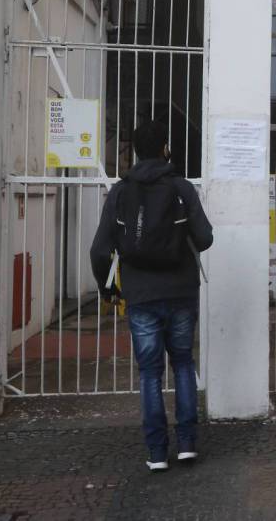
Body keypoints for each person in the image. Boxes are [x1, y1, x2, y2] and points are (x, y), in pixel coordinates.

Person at [90, 121, 213, 472]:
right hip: (181, 292)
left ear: (135, 151)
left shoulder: (120, 192)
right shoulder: (182, 188)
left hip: (141, 294)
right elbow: (204, 239)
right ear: (165, 148)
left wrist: (107, 288)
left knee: (149, 373)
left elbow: (100, 250)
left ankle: (157, 452)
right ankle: (187, 443)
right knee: (184, 364)